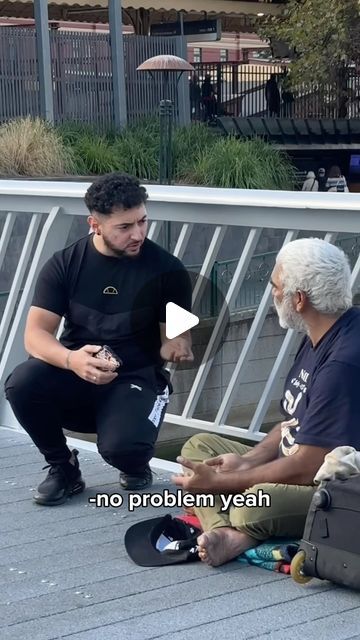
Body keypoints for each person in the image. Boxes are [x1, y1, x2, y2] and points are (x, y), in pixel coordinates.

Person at [4, 172, 193, 506]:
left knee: (123, 451)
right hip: (78, 371)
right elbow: (35, 336)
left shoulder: (169, 270)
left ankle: (134, 461)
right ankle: (63, 469)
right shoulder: (64, 264)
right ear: (95, 224)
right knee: (21, 382)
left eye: (142, 222)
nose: (138, 234)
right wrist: (71, 360)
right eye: (124, 227)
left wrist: (177, 345)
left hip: (136, 378)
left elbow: (175, 340)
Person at [173, 238, 360, 567]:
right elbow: (294, 421)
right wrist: (250, 460)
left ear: (299, 299)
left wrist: (222, 482)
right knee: (198, 446)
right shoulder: (321, 331)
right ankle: (226, 533)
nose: (271, 294)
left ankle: (234, 529)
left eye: (275, 286)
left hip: (336, 485)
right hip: (298, 464)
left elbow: (307, 467)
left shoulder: (341, 364)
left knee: (252, 505)